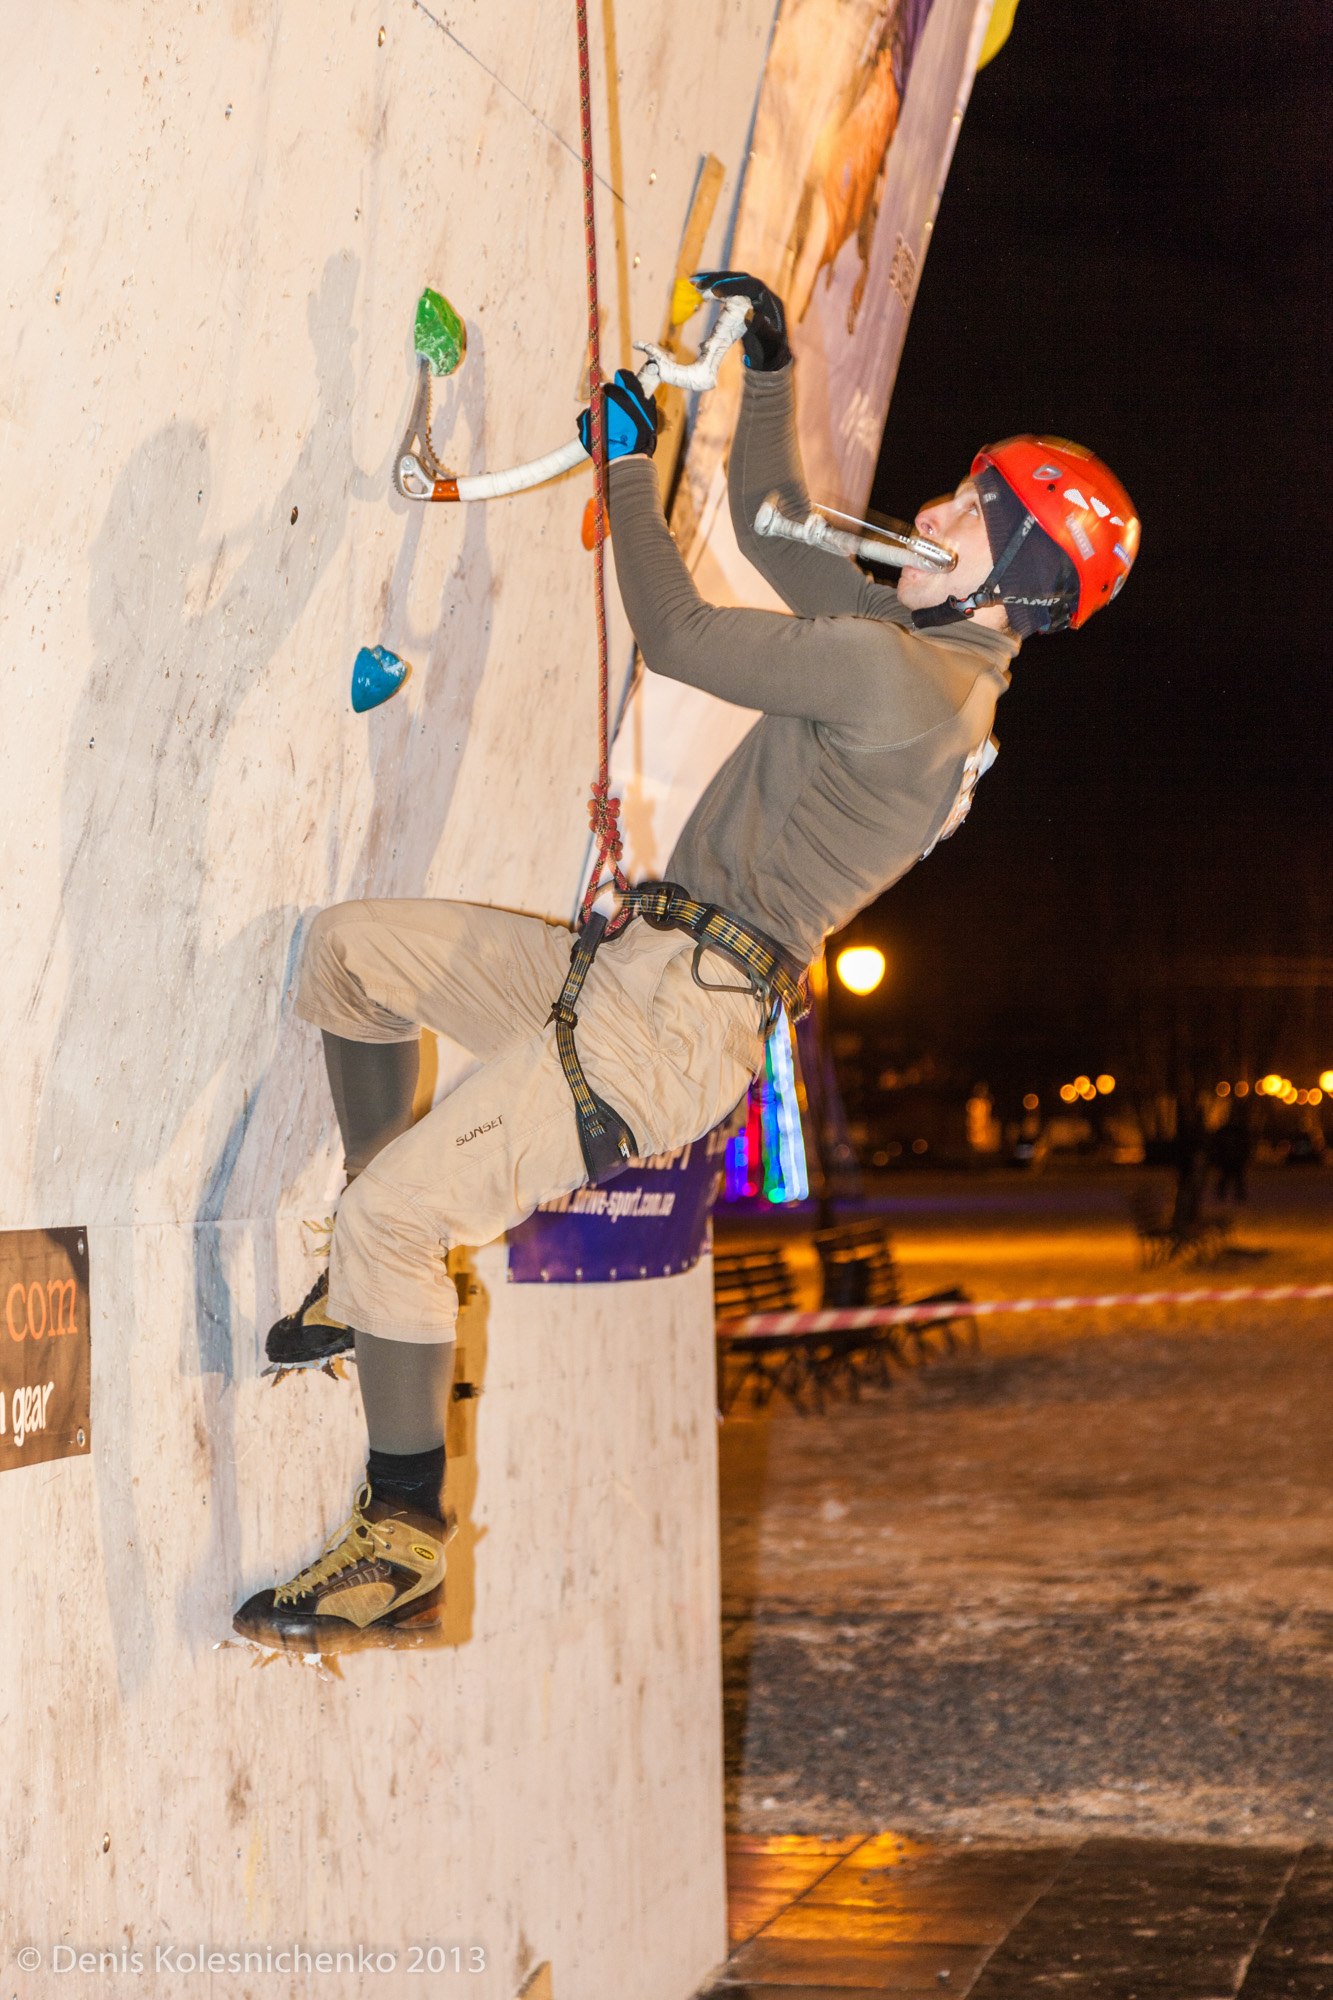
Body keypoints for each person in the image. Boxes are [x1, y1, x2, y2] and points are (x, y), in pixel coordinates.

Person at [233, 271, 1139, 1652]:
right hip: (642, 973)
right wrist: (763, 371)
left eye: (970, 512)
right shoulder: (921, 650)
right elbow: (777, 526)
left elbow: (676, 637)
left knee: (396, 1229)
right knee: (352, 960)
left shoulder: (909, 687)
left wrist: (623, 460)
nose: (937, 510)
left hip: (667, 1020)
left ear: (1014, 577)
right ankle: (369, 1291)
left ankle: (400, 1533)